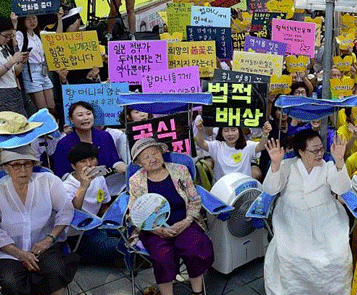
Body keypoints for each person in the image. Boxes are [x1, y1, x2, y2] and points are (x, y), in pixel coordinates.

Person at [262, 130, 352, 295]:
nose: (319, 154)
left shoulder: (328, 166)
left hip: (326, 216)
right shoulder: (288, 166)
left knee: (337, 253)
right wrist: (274, 164)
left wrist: (339, 161)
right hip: (292, 217)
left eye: (321, 149)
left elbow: (342, 188)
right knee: (292, 253)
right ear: (301, 152)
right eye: (314, 150)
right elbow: (270, 189)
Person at [128, 138, 213, 295]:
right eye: (146, 157)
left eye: (155, 153)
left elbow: (194, 200)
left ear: (162, 153)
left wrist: (187, 221)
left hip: (184, 222)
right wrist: (156, 230)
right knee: (162, 257)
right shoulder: (136, 181)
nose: (152, 158)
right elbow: (134, 212)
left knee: (194, 247)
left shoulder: (180, 170)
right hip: (153, 227)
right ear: (140, 163)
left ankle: (198, 292)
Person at [0, 145, 77, 295]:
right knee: (10, 281)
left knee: (55, 271)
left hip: (44, 246)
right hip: (9, 250)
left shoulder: (48, 181)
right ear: (5, 168)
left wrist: (50, 238)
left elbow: (66, 210)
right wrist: (18, 253)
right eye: (16, 165)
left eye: (27, 164)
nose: (23, 170)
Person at [62, 142, 122, 266]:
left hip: (98, 225)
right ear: (73, 166)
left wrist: (119, 223)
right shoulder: (66, 186)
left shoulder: (99, 178)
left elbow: (103, 206)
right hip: (78, 234)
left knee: (132, 236)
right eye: (83, 161)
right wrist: (83, 186)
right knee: (114, 247)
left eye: (92, 159)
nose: (89, 164)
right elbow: (72, 213)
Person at [51, 101, 126, 178]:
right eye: (80, 115)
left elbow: (115, 160)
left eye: (88, 114)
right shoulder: (64, 144)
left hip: (108, 183)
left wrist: (122, 167)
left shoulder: (105, 136)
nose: (86, 118)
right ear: (71, 120)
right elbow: (60, 173)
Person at [15, 12, 62, 113]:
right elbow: (16, 46)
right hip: (31, 70)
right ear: (22, 21)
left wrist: (59, 18)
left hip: (43, 69)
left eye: (34, 18)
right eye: (28, 19)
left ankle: (55, 123)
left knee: (52, 105)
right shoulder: (20, 34)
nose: (32, 21)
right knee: (43, 109)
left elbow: (57, 37)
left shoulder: (38, 34)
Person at [194, 122, 271, 181]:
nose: (230, 134)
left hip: (243, 185)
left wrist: (265, 133)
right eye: (226, 131)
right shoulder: (216, 146)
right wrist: (200, 130)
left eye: (233, 130)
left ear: (239, 131)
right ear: (221, 133)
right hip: (221, 186)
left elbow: (261, 146)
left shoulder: (248, 146)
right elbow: (201, 143)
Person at [0, 17, 29, 115]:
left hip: (14, 89)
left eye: (10, 36)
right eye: (6, 36)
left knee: (21, 119)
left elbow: (15, 72)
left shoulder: (5, 47)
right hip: (2, 92)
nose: (8, 39)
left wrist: (21, 62)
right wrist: (12, 61)